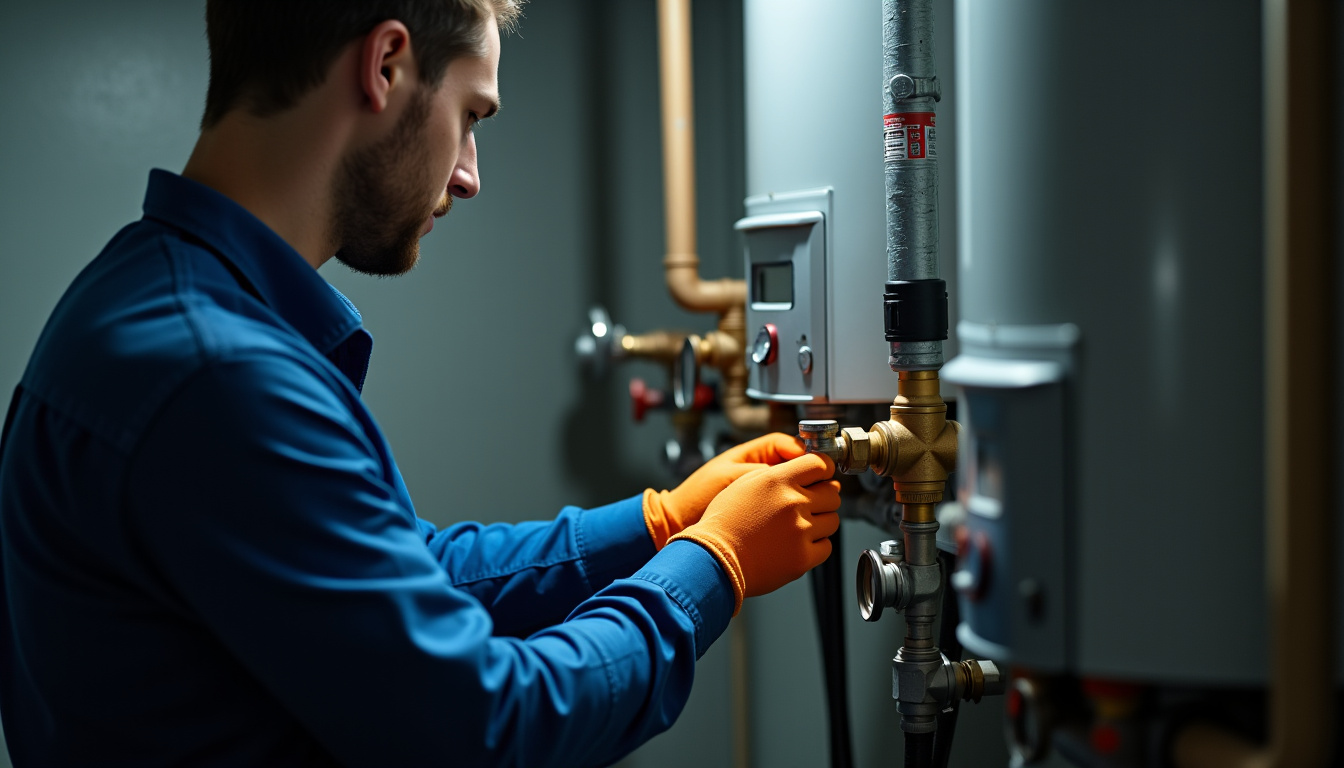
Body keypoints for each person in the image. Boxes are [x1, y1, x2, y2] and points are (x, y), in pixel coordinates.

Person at [0, 2, 842, 766]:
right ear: (387, 66)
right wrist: (712, 565)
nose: (470, 173)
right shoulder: (216, 375)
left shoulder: (157, 305)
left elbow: (405, 580)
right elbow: (486, 726)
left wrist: (658, 524)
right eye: (470, 115)